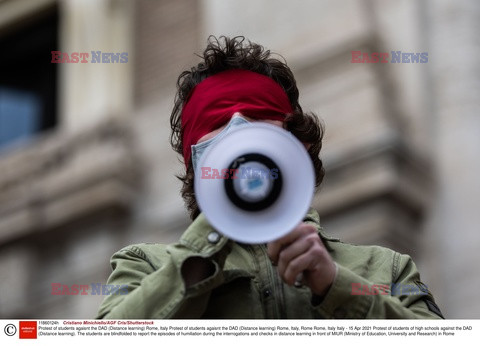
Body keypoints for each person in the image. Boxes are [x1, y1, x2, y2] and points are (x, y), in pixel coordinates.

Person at [96, 36, 444, 319]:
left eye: (256, 115)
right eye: (216, 123)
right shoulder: (144, 266)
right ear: (195, 164)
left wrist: (335, 286)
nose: (238, 130)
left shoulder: (387, 269)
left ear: (299, 144)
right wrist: (197, 257)